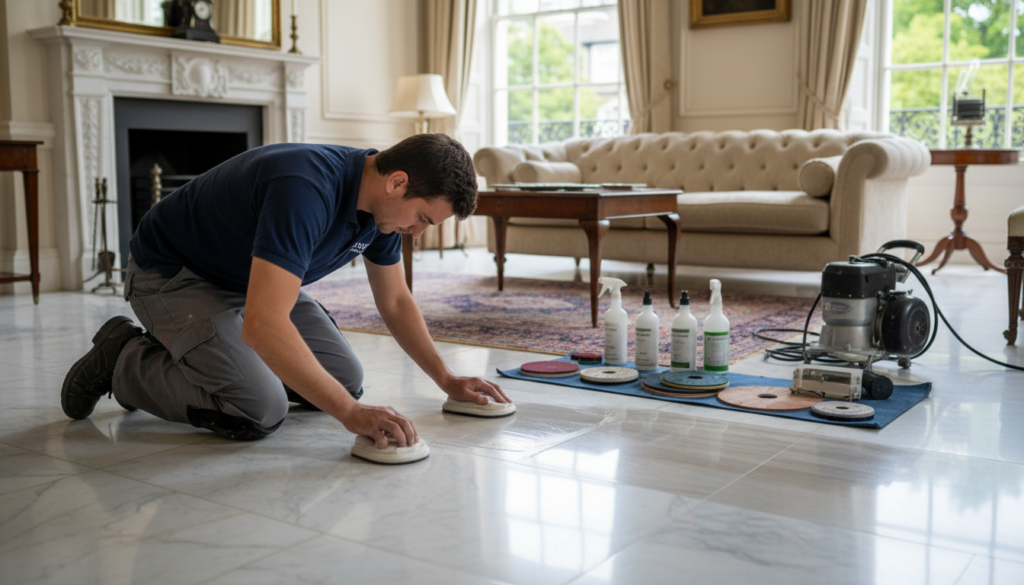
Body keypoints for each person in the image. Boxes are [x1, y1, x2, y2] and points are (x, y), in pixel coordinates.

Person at [61, 133, 509, 447]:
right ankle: (123, 359)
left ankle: (223, 354)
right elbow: (264, 324)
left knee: (344, 382)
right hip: (175, 275)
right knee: (257, 409)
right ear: (398, 182)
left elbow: (394, 301)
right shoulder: (305, 188)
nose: (418, 233)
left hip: (250, 278)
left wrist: (446, 379)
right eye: (423, 220)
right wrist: (352, 418)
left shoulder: (384, 211)